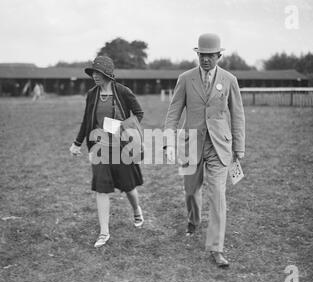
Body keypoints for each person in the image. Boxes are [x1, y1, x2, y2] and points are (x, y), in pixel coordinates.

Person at [164, 34, 245, 267]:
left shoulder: (229, 80)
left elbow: (237, 114)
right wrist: (169, 141)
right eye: (202, 55)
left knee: (217, 196)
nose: (206, 59)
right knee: (191, 191)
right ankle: (193, 220)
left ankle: (216, 248)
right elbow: (174, 112)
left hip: (219, 146)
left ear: (219, 56)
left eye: (210, 55)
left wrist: (238, 147)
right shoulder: (185, 79)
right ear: (197, 54)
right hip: (191, 144)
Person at [69, 56, 145, 248]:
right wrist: (77, 143)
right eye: (93, 73)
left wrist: (123, 127)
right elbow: (87, 121)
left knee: (128, 186)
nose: (95, 76)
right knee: (101, 188)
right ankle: (104, 232)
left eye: (98, 73)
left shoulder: (123, 92)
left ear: (108, 74)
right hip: (99, 146)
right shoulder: (92, 94)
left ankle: (136, 209)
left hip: (122, 146)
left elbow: (139, 113)